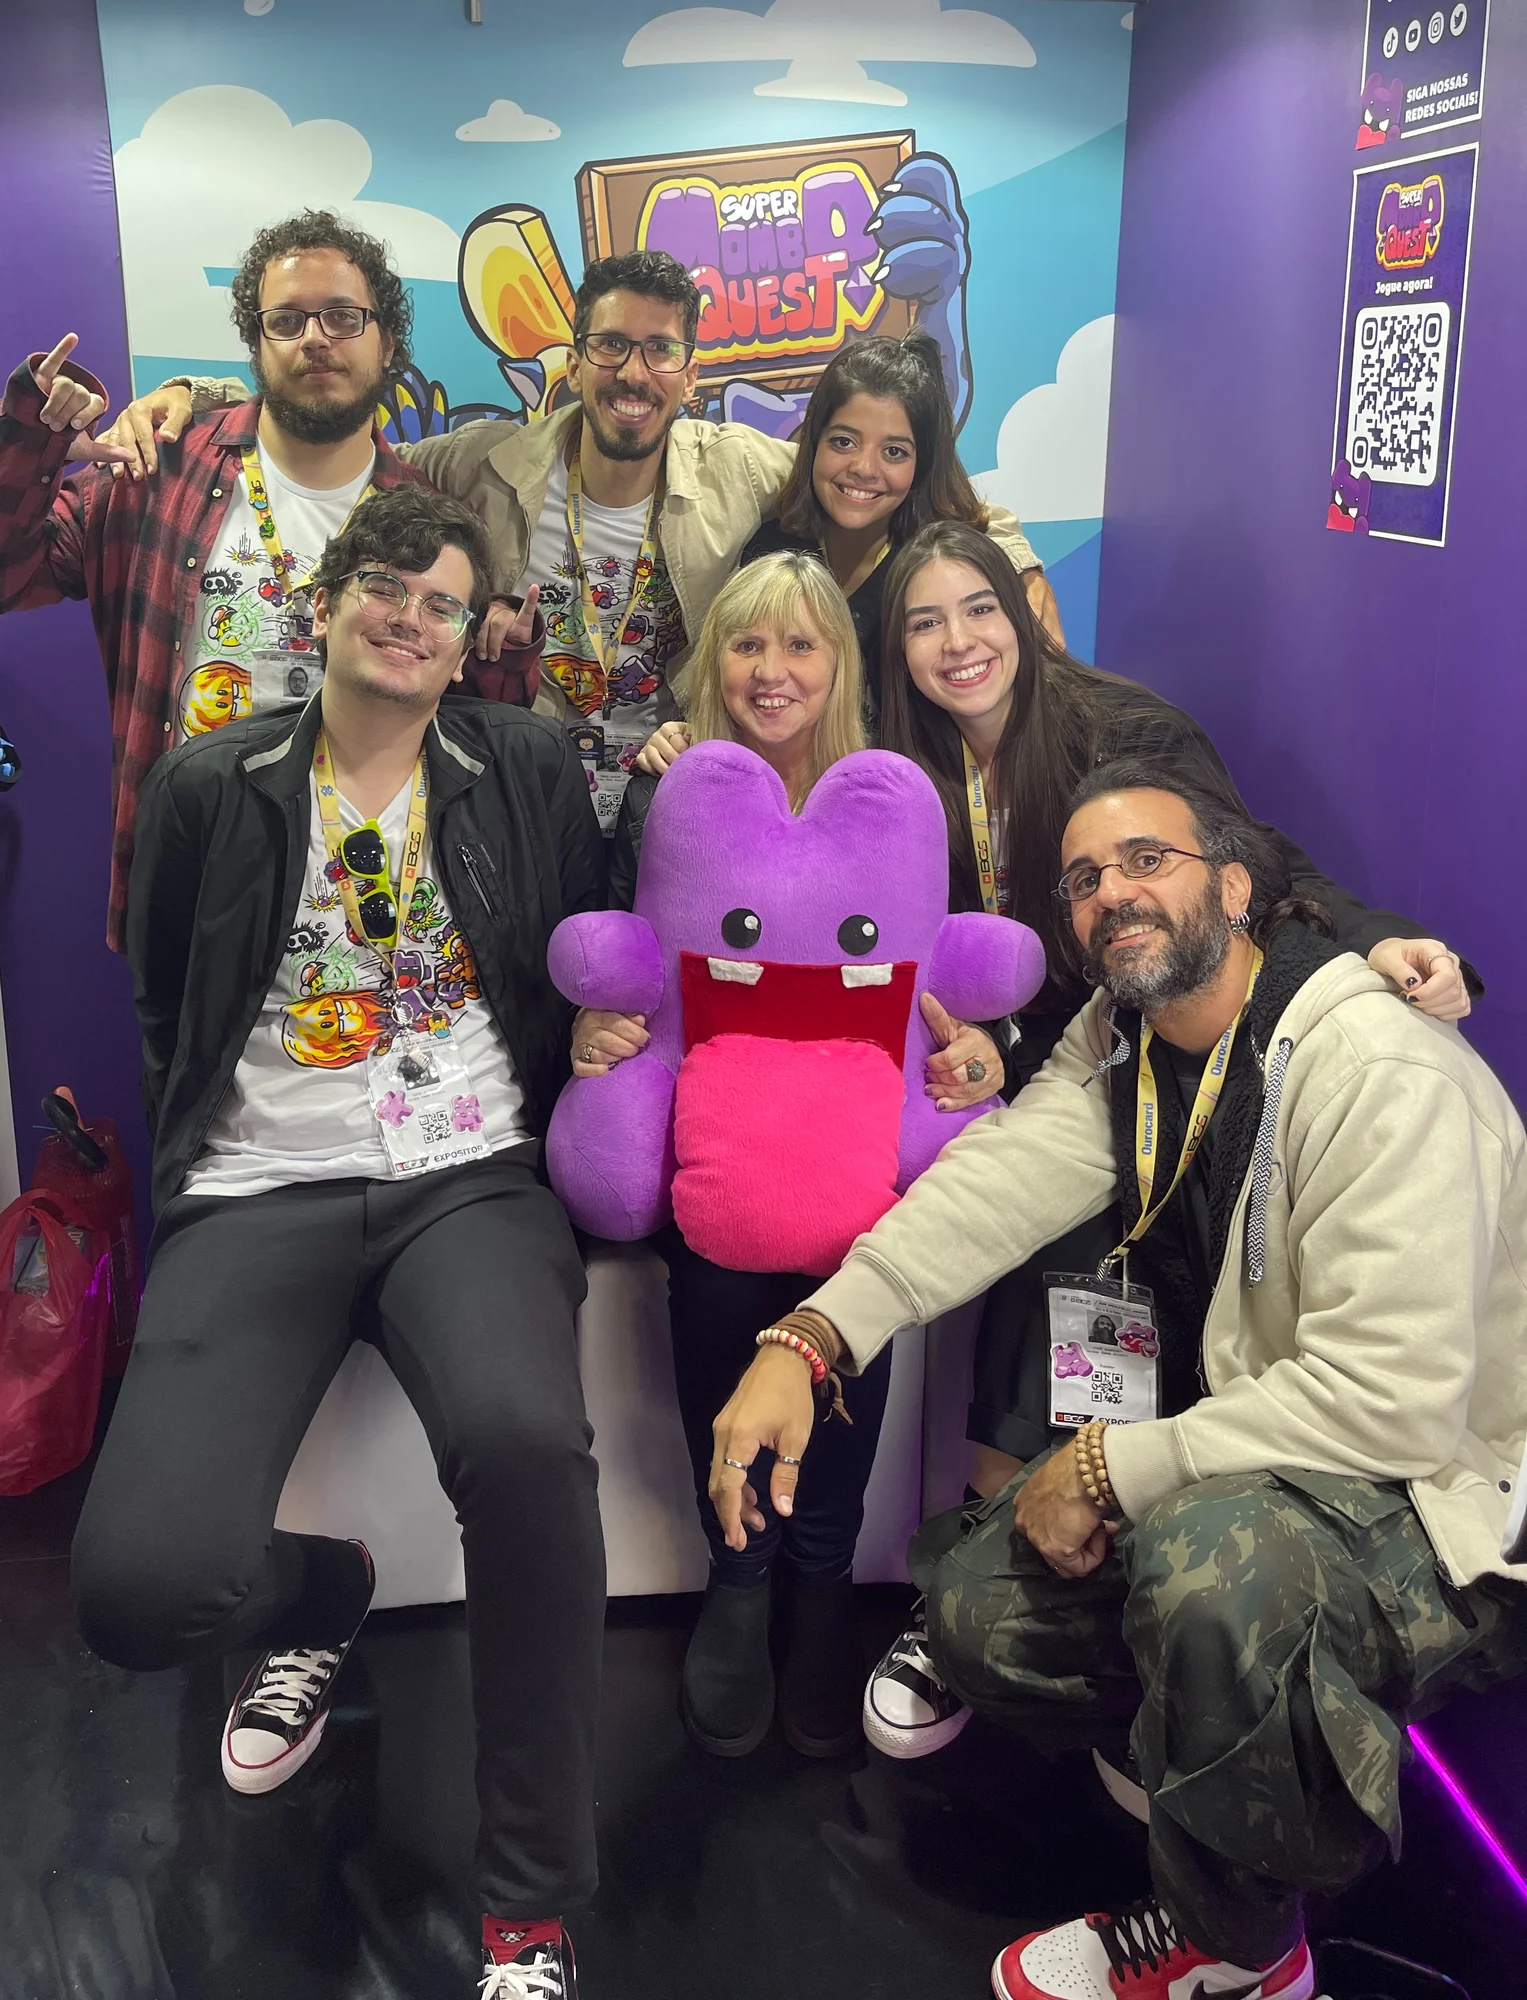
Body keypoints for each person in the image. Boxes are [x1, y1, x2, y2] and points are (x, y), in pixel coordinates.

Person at [707, 760, 1527, 2000]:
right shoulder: (1126, 1035)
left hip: (1446, 1498)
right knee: (980, 1602)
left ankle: (1242, 1944)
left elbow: (1392, 1401)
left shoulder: (1376, 1064)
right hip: (1287, 1457)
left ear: (1239, 886)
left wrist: (1106, 1463)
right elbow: (997, 1185)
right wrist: (813, 1335)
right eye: (1085, 879)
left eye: (1149, 859)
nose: (1113, 894)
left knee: (1213, 1555)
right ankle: (1209, 1755)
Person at [70, 486, 604, 2000]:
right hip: (260, 1186)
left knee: (524, 1445)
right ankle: (317, 1592)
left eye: (444, 602)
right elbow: (171, 997)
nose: (410, 617)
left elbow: (573, 951)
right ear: (326, 602)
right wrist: (203, 1172)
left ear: (469, 638)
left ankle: (527, 1907)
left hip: (467, 1178)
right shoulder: (209, 781)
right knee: (135, 1592)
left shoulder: (520, 767)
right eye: (386, 586)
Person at [113, 257, 1052, 840]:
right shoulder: (485, 461)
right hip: (529, 799)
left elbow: (885, 481)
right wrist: (193, 396)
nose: (633, 373)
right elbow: (347, 434)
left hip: (678, 797)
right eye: (610, 346)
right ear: (573, 359)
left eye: (660, 351)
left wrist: (1015, 563)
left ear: (691, 370)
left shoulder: (740, 468)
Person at [577, 550, 1000, 1759]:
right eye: (749, 646)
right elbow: (622, 958)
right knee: (714, 1281)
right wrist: (595, 1023)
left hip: (858, 1151)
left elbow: (945, 972)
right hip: (709, 1150)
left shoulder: (895, 803)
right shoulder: (665, 791)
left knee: (853, 1286)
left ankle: (820, 1578)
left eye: (801, 645)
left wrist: (977, 1050)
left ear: (839, 665)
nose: (774, 671)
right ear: (716, 664)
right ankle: (741, 1572)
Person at [0, 210, 539, 952]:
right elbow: (10, 573)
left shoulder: (430, 521)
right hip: (193, 876)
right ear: (256, 342)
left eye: (343, 316)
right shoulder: (156, 470)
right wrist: (35, 434)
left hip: (365, 885)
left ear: (388, 343)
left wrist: (502, 654)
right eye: (286, 320)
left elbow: (466, 722)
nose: (315, 337)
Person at [736, 329, 1060, 718]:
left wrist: (1022, 569)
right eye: (843, 442)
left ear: (922, 464)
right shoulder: (768, 552)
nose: (864, 469)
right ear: (813, 442)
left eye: (894, 452)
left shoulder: (943, 569)